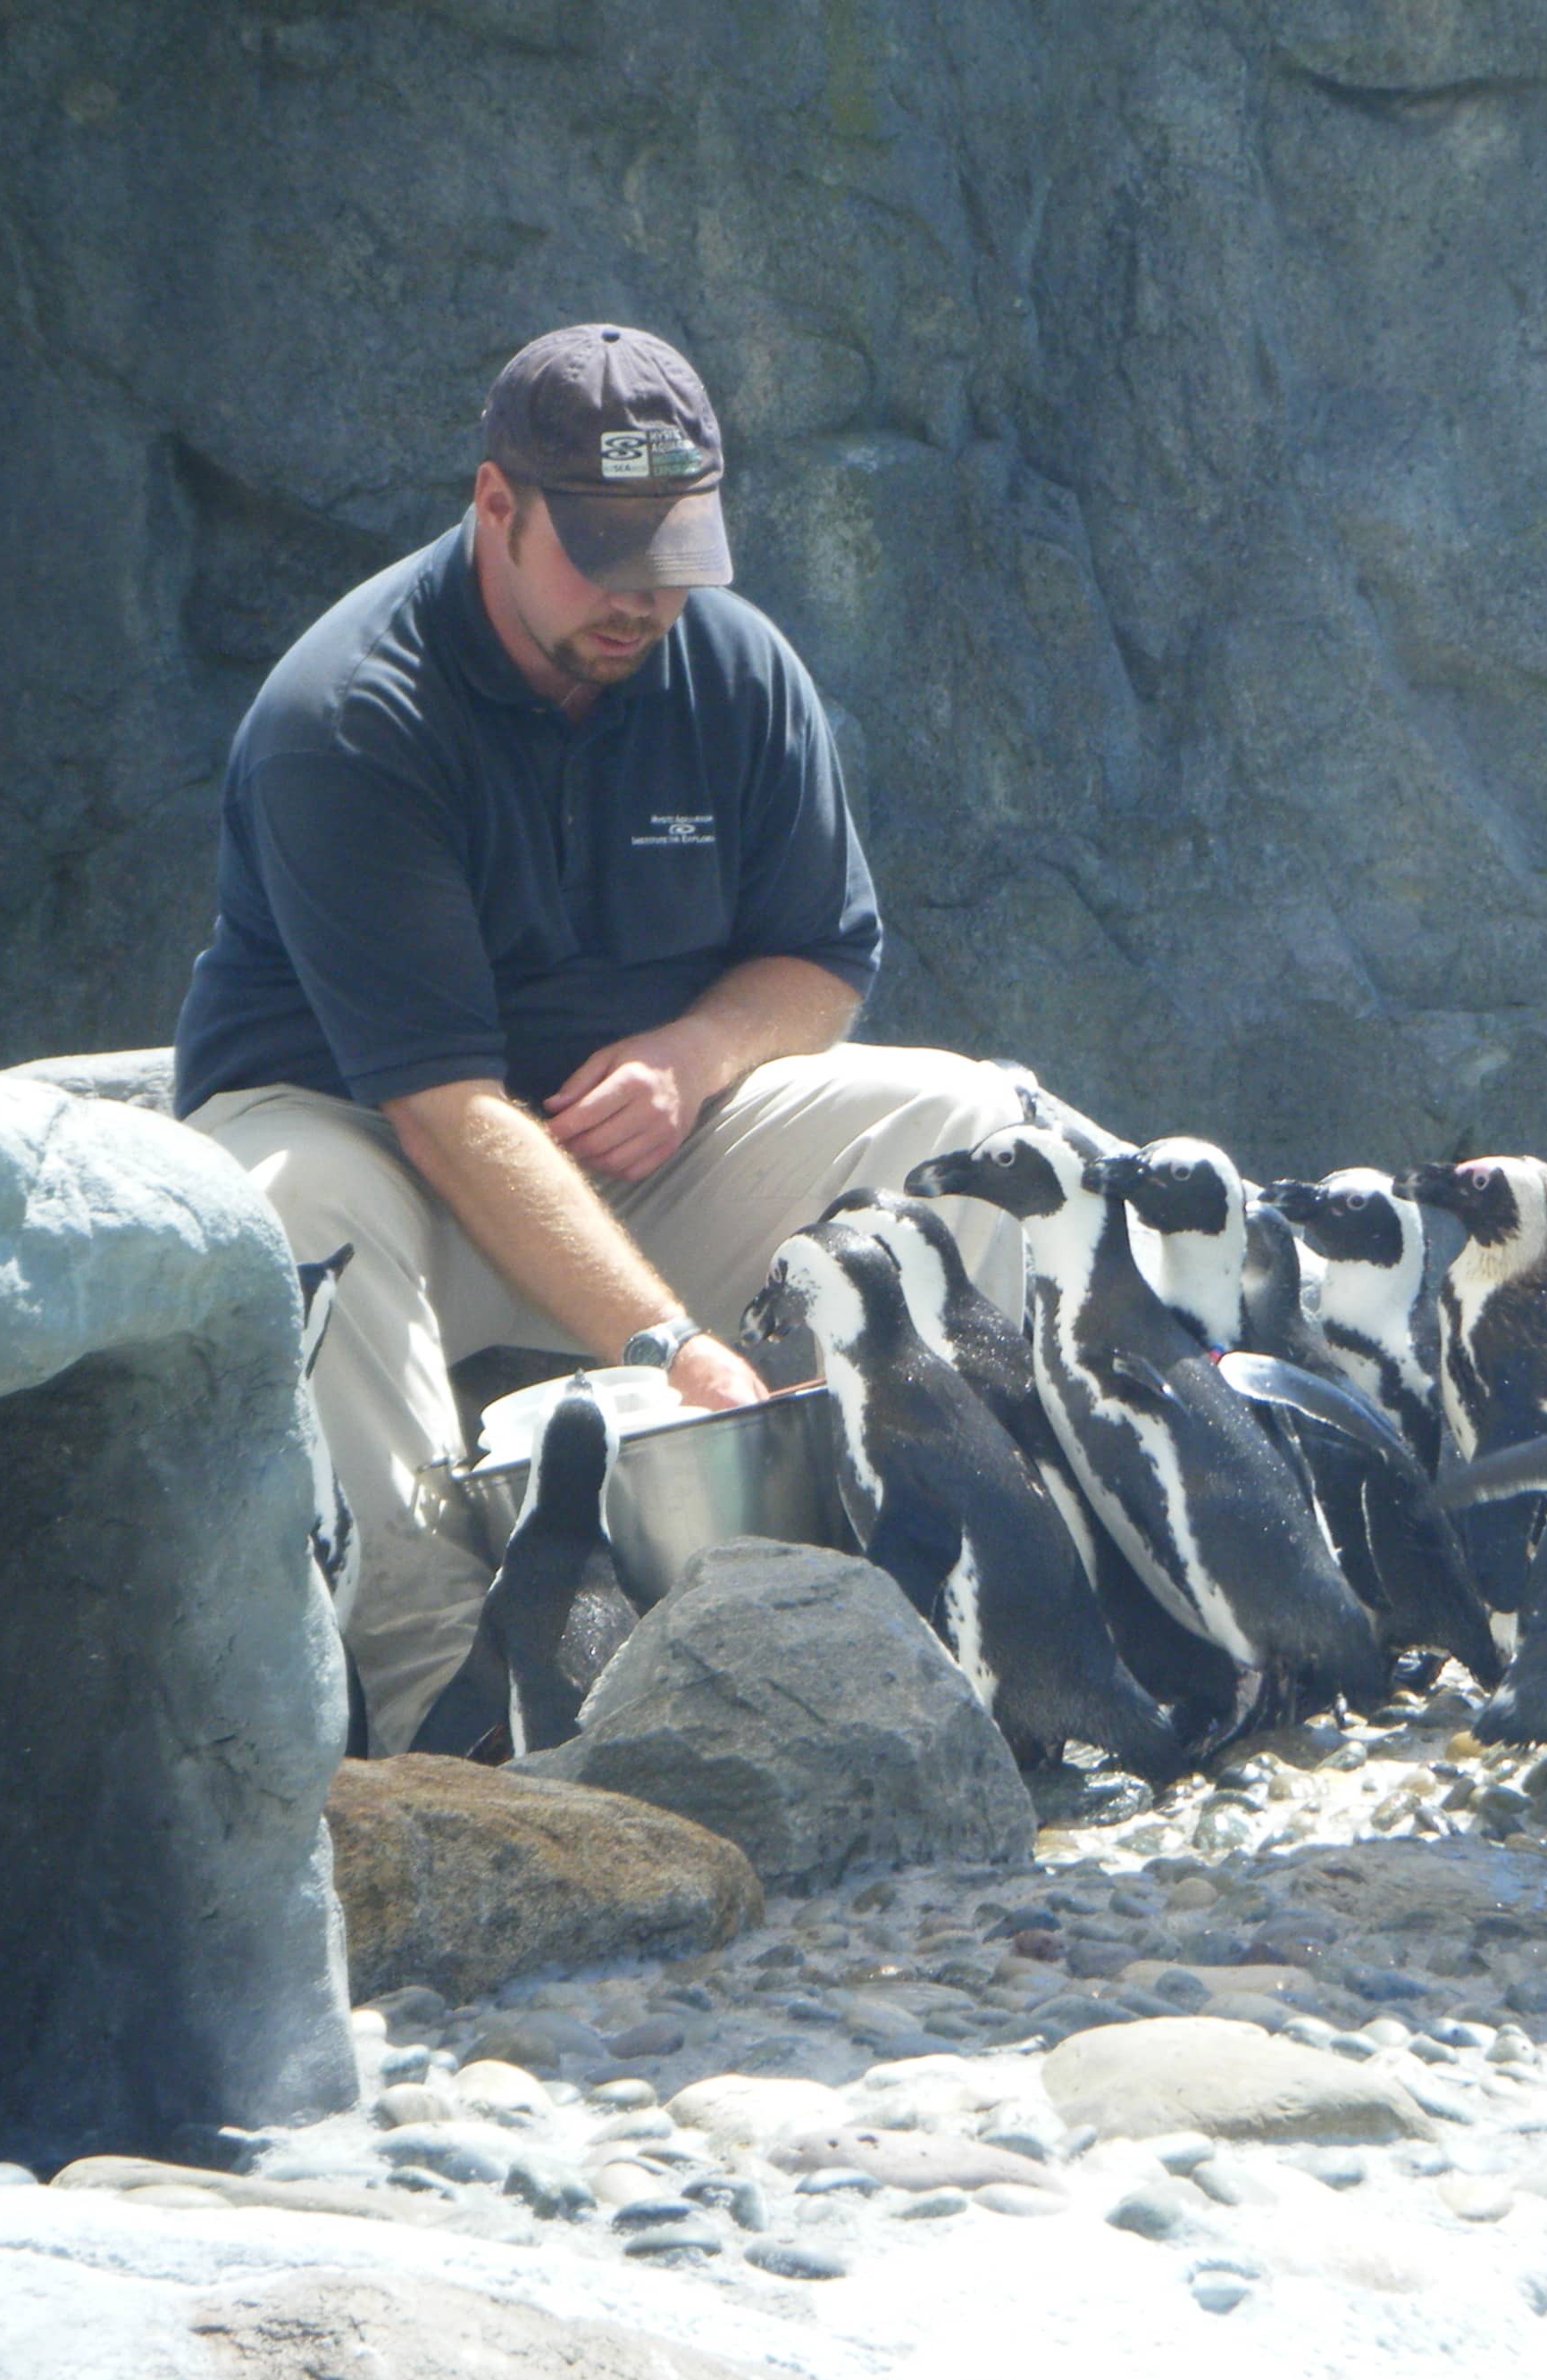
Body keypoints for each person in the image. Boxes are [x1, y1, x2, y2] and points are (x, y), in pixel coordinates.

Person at [176, 323, 1024, 1753]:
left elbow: (823, 961)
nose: (644, 598)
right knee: (288, 1211)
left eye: (674, 553)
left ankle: (969, 1588)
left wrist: (698, 1052)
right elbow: (445, 1111)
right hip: (388, 1160)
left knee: (967, 1124)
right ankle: (455, 1713)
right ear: (494, 506)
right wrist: (668, 1344)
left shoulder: (736, 672)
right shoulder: (352, 717)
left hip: (637, 1163)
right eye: (603, 552)